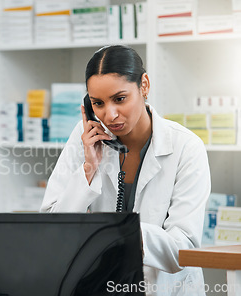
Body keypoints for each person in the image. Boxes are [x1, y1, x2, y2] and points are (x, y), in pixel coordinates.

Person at [41, 45, 210, 296]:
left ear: (144, 85)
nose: (110, 115)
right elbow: (51, 230)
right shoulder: (84, 137)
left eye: (120, 99)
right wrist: (88, 169)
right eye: (98, 103)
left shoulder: (186, 147)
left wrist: (121, 233)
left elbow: (183, 248)